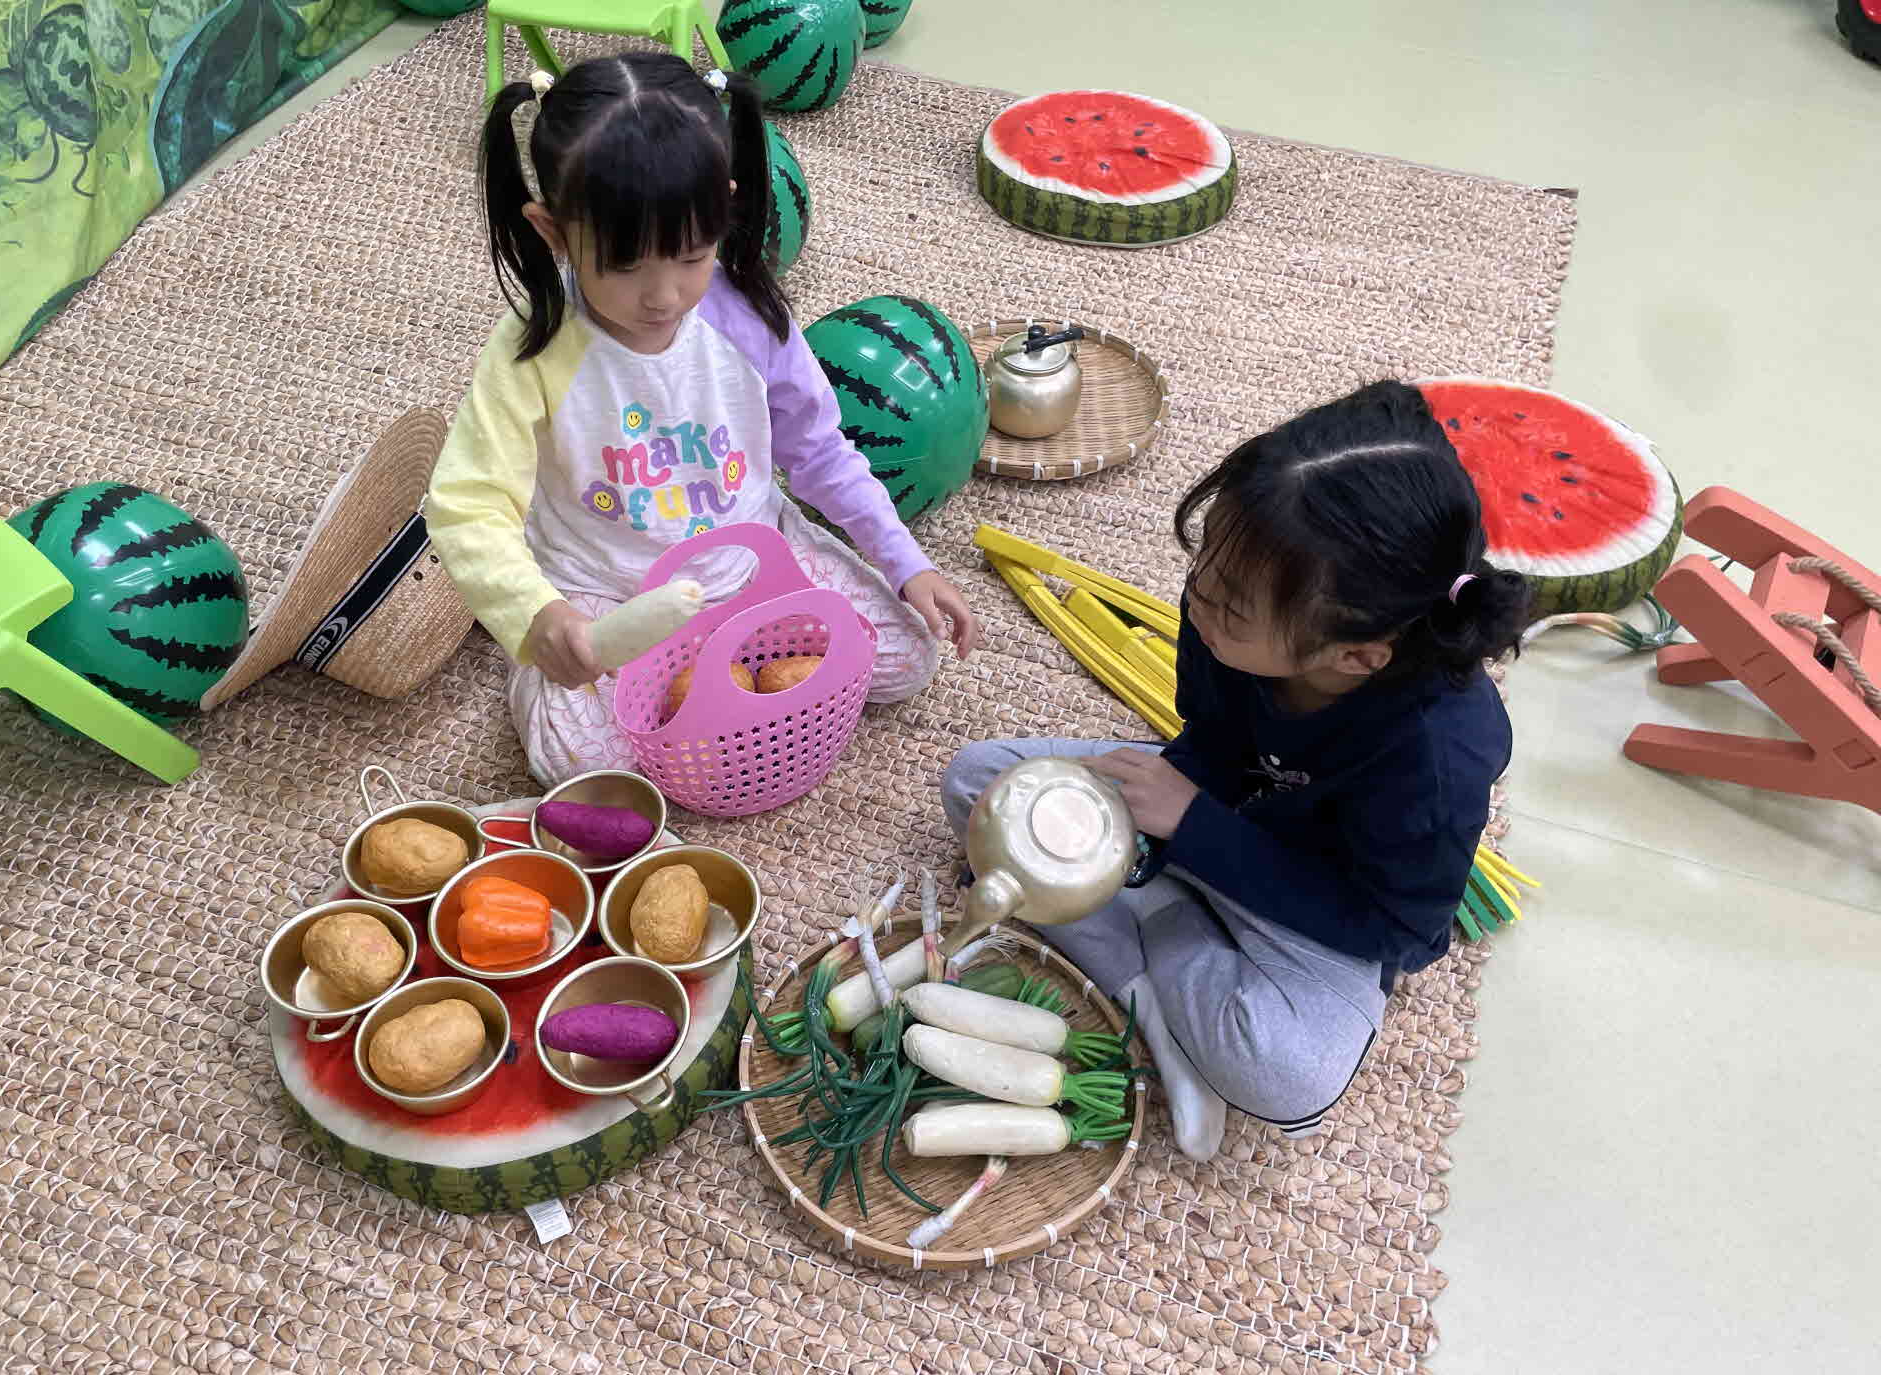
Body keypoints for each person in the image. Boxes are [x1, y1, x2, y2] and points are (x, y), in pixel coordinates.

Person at [942, 380, 1528, 1158]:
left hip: (1315, 899)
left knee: (1285, 1073)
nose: (1198, 601)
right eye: (1204, 570)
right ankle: (1152, 970)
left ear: (1355, 656)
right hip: (1214, 810)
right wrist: (1169, 808)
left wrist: (1192, 833)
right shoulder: (1222, 607)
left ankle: (1143, 932)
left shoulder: (1438, 754)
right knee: (978, 782)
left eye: (1229, 609)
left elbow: (1404, 932)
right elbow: (1211, 740)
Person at [426, 53, 974, 780]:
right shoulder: (535, 346)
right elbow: (468, 503)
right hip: (609, 591)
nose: (662, 297)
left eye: (690, 256)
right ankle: (677, 663)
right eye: (623, 266)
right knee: (580, 764)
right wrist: (538, 616)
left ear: (726, 209)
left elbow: (819, 450)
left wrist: (907, 563)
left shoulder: (749, 318)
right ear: (552, 232)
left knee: (908, 658)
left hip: (751, 555)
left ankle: (727, 648)